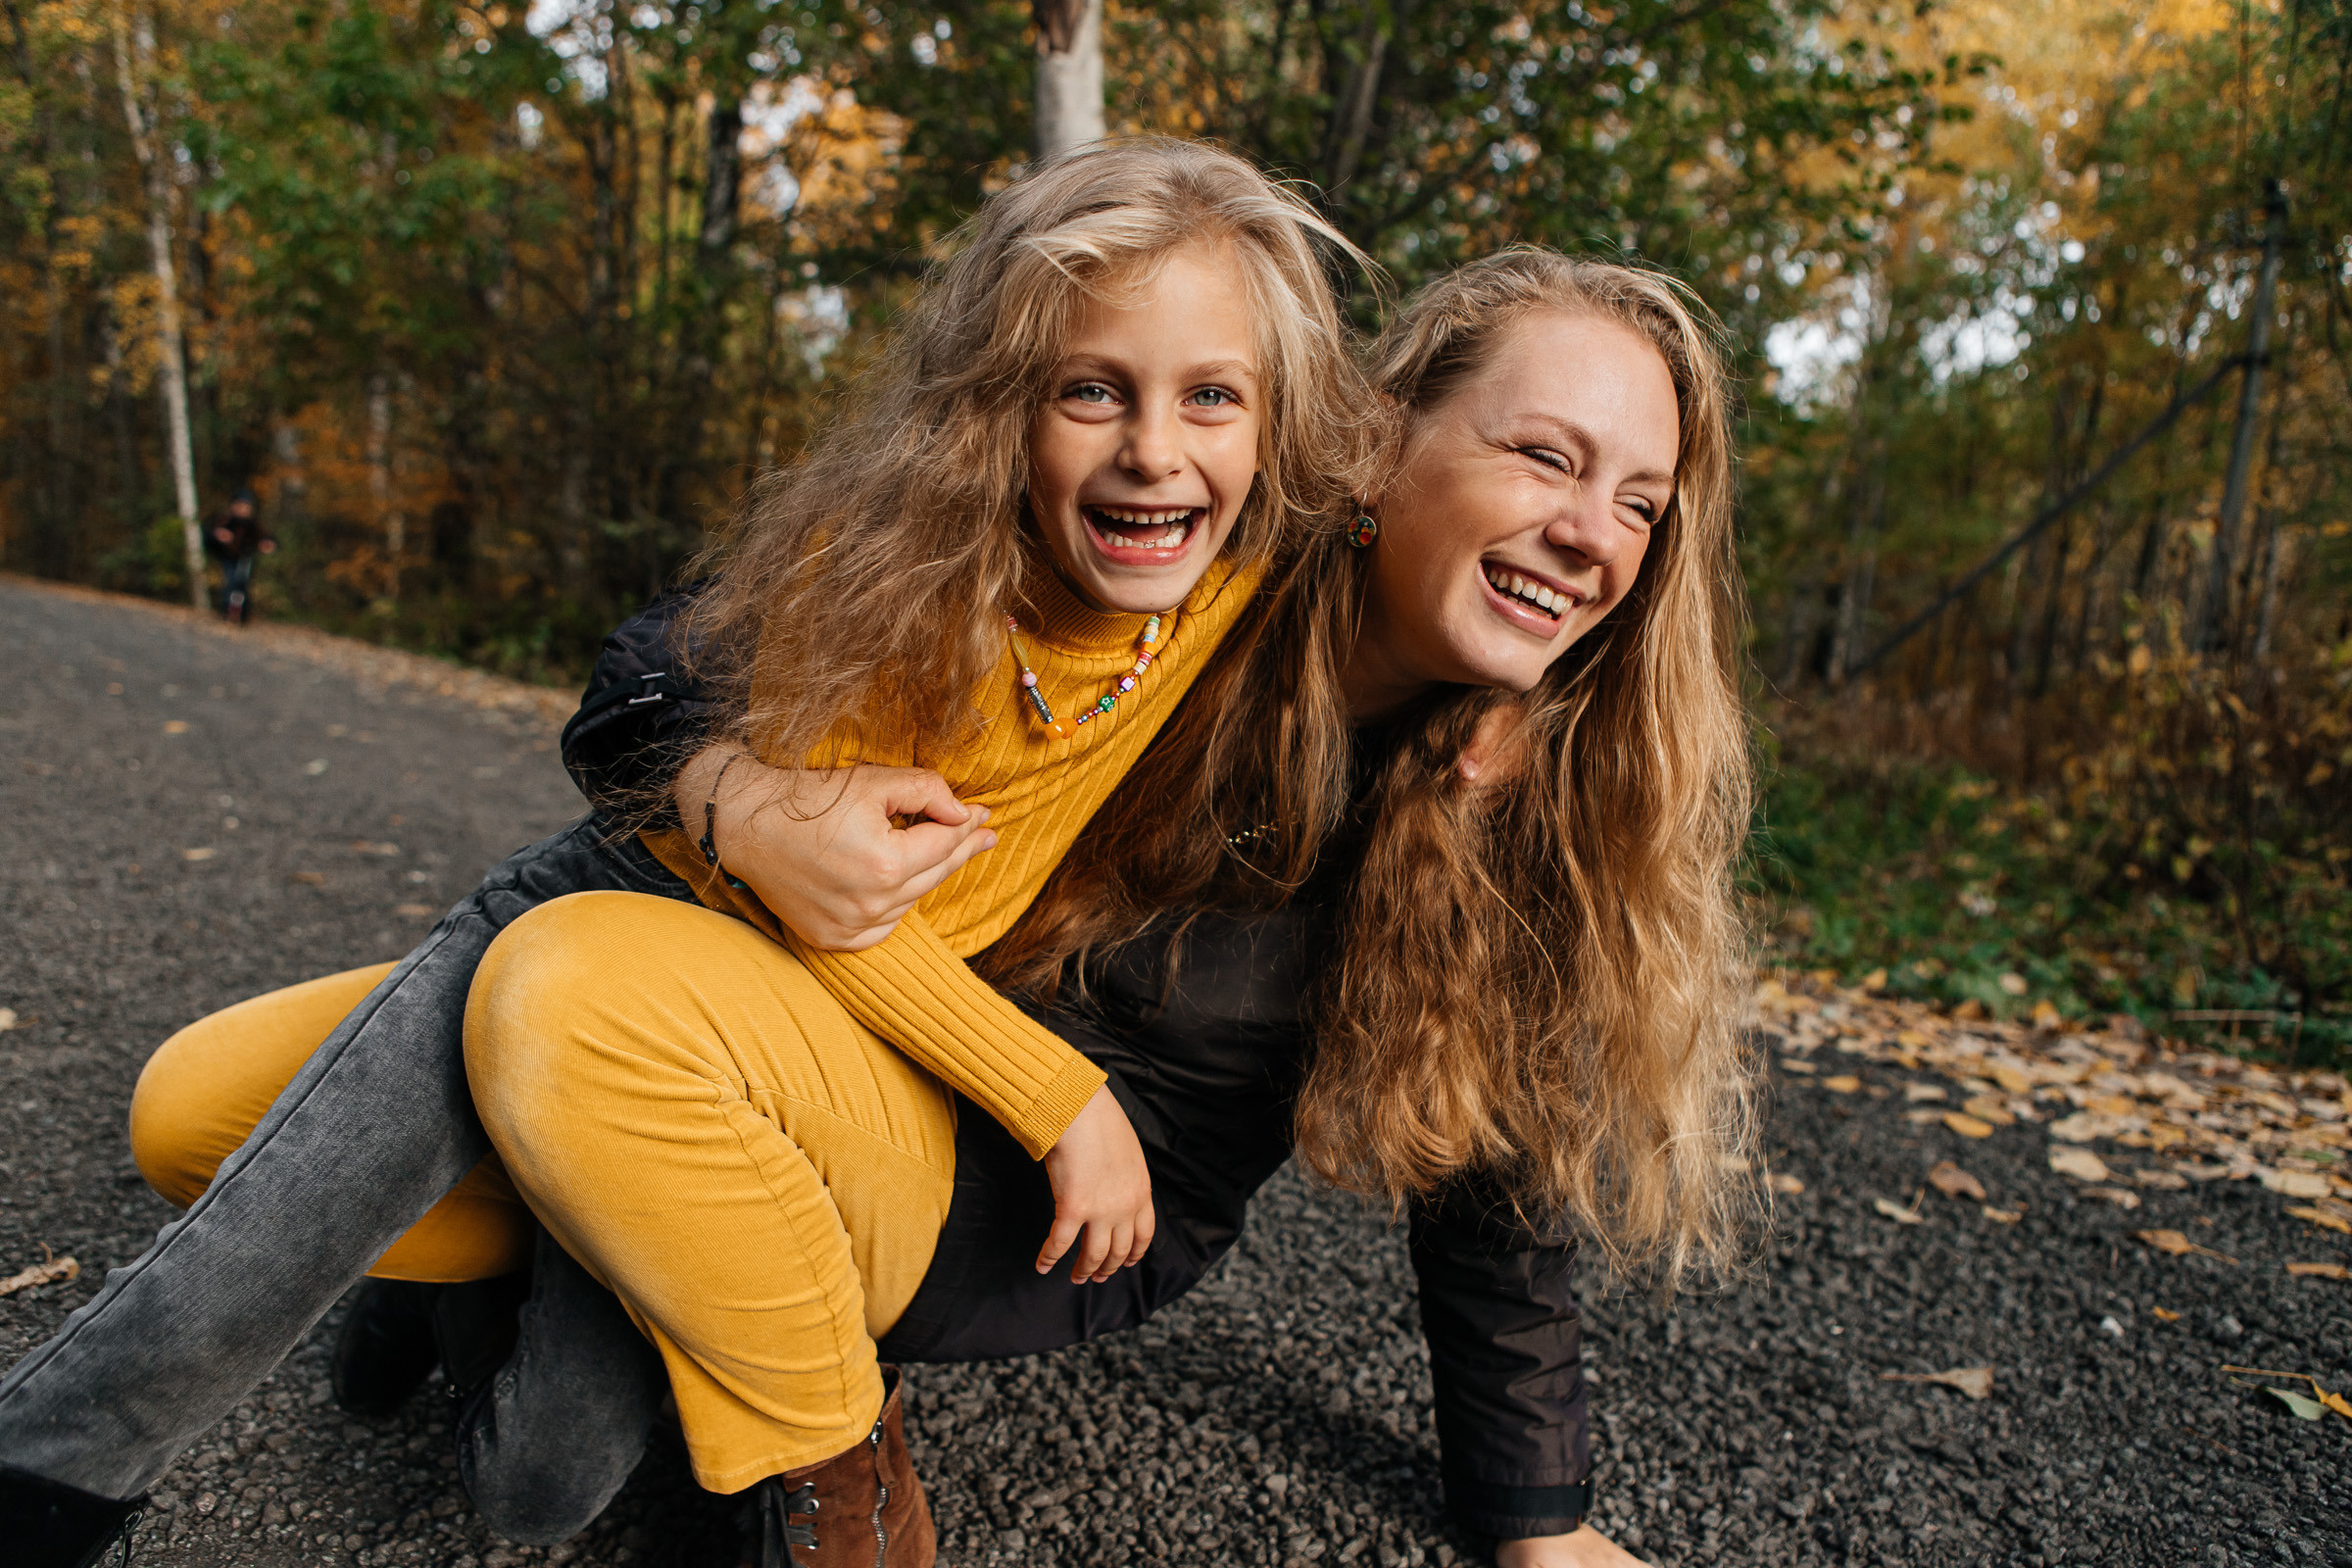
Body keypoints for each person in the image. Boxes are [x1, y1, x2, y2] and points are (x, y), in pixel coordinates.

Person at [8, 249, 1754, 1568]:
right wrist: (742, 796)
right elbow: (651, 674)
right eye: (1545, 454)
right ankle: (573, 1245)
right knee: (199, 1115)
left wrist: (1539, 1513)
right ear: (1378, 443)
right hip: (812, 995)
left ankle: (828, 1460)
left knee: (565, 1004)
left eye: (1638, 501)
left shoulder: (1531, 780)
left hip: (1004, 1194)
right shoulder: (1185, 550)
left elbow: (1494, 1163)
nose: (1590, 529)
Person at [203, 488, 275, 624]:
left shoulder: (253, 524)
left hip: (246, 558)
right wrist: (218, 536)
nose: (243, 509)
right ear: (233, 506)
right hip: (227, 557)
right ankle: (225, 611)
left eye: (246, 506)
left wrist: (267, 544)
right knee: (230, 582)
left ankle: (243, 615)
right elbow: (208, 535)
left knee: (243, 584)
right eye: (240, 505)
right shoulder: (224, 520)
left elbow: (266, 537)